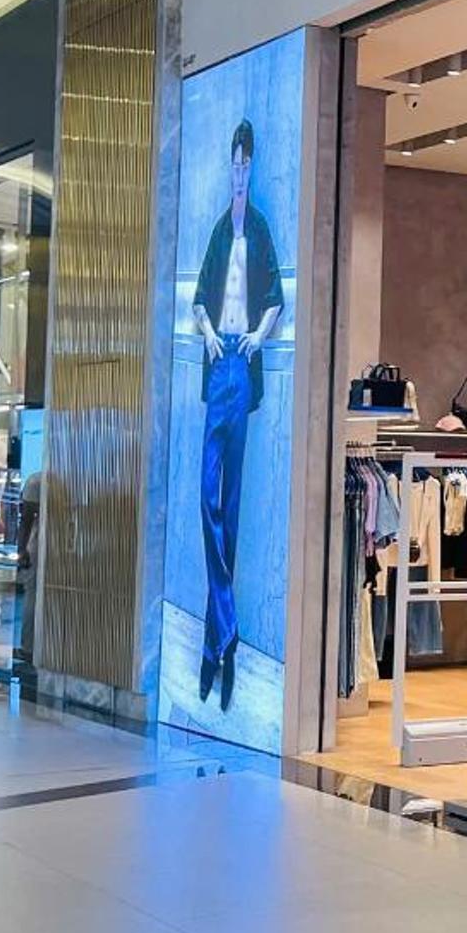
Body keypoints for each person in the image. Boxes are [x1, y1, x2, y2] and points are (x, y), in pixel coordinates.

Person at [189, 119, 284, 710]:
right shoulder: (221, 229)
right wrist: (206, 332)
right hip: (217, 360)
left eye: (247, 164)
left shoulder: (260, 230)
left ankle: (213, 649)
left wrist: (259, 335)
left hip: (241, 367)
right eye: (235, 164)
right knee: (208, 496)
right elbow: (199, 296)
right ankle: (227, 631)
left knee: (233, 503)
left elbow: (276, 299)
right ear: (229, 167)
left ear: (253, 167)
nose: (240, 173)